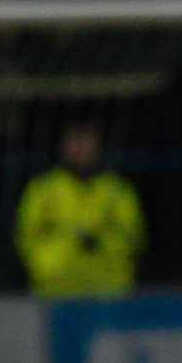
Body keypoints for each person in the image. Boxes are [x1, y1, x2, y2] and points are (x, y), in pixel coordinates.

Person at [15, 124, 146, 296]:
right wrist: (44, 266)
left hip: (109, 287)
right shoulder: (43, 189)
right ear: (63, 147)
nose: (81, 150)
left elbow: (133, 235)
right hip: (55, 287)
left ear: (98, 147)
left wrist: (102, 243)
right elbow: (26, 235)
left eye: (87, 143)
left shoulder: (117, 190)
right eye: (75, 143)